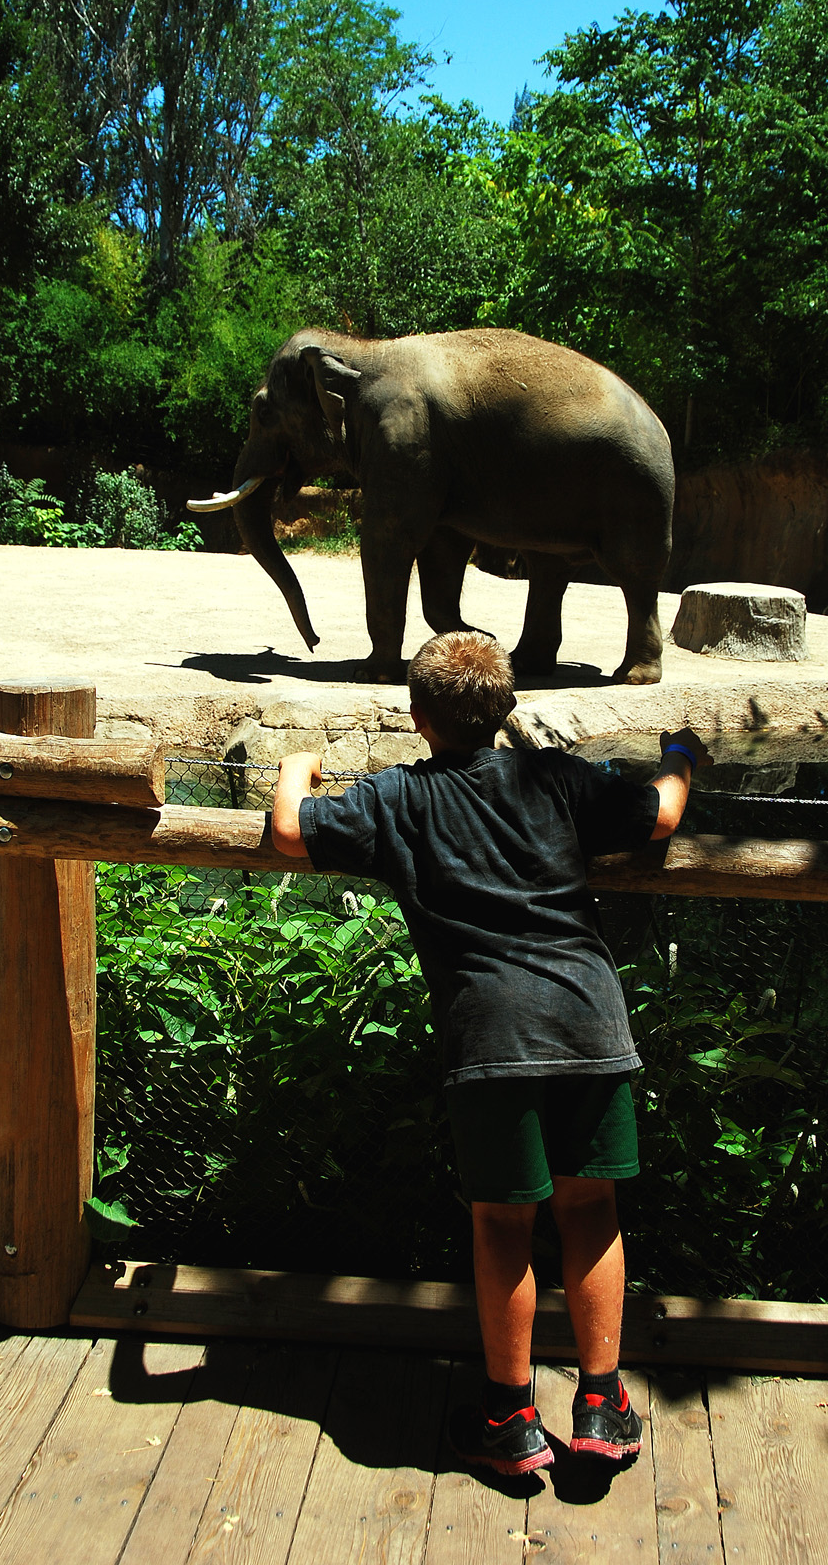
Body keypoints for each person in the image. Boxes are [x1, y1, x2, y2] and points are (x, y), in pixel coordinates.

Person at [272, 630, 711, 1476]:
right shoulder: (555, 777)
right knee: (591, 1212)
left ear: (417, 716)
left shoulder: (397, 797)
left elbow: (292, 833)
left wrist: (299, 766)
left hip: (489, 1034)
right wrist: (683, 753)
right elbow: (660, 812)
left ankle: (511, 1416)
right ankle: (603, 1403)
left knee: (503, 1221)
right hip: (588, 1018)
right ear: (507, 709)